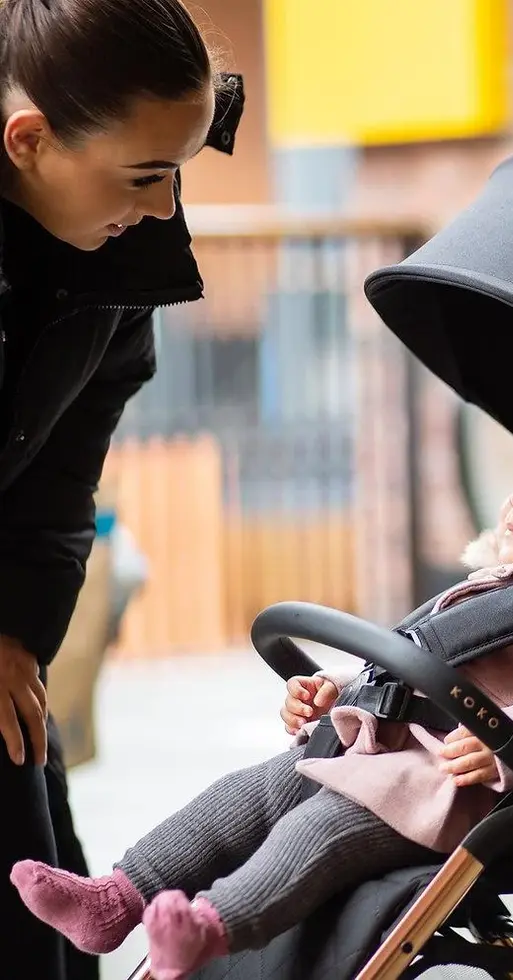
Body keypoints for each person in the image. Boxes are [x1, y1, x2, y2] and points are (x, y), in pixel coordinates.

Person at [11, 402, 513, 980]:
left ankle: (209, 928)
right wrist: (338, 689)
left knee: (316, 830)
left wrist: (510, 738)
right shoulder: (512, 585)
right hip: (377, 741)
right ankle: (115, 896)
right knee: (247, 793)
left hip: (445, 785)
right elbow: (422, 660)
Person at [0, 1, 243, 976]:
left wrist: (16, 626)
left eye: (179, 170)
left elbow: (60, 483)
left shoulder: (120, 276)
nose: (162, 208)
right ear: (27, 141)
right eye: (143, 174)